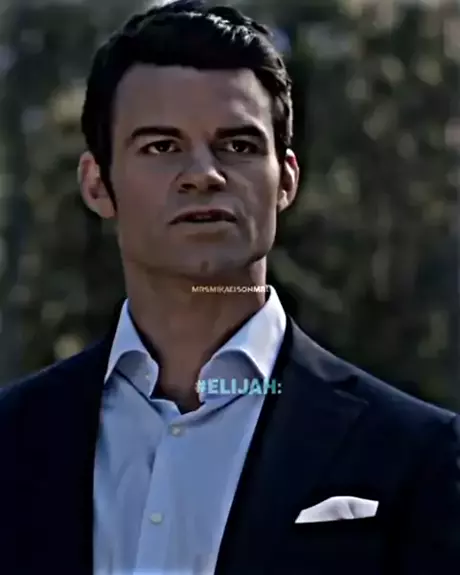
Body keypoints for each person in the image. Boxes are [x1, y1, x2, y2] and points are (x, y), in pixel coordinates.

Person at [0, 1, 458, 574]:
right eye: (161, 146)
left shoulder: (416, 454)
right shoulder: (13, 439)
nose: (204, 174)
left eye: (238, 145)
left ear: (285, 179)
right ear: (97, 184)